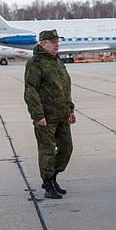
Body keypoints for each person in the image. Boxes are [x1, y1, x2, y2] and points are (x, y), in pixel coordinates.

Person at [24, 29, 76, 200]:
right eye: (53, 43)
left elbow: (65, 88)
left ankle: (53, 177)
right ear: (43, 44)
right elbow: (31, 91)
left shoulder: (57, 62)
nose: (57, 45)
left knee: (66, 148)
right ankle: (47, 184)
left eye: (58, 42)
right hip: (46, 118)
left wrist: (70, 109)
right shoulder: (35, 63)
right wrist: (38, 115)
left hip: (62, 115)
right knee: (47, 151)